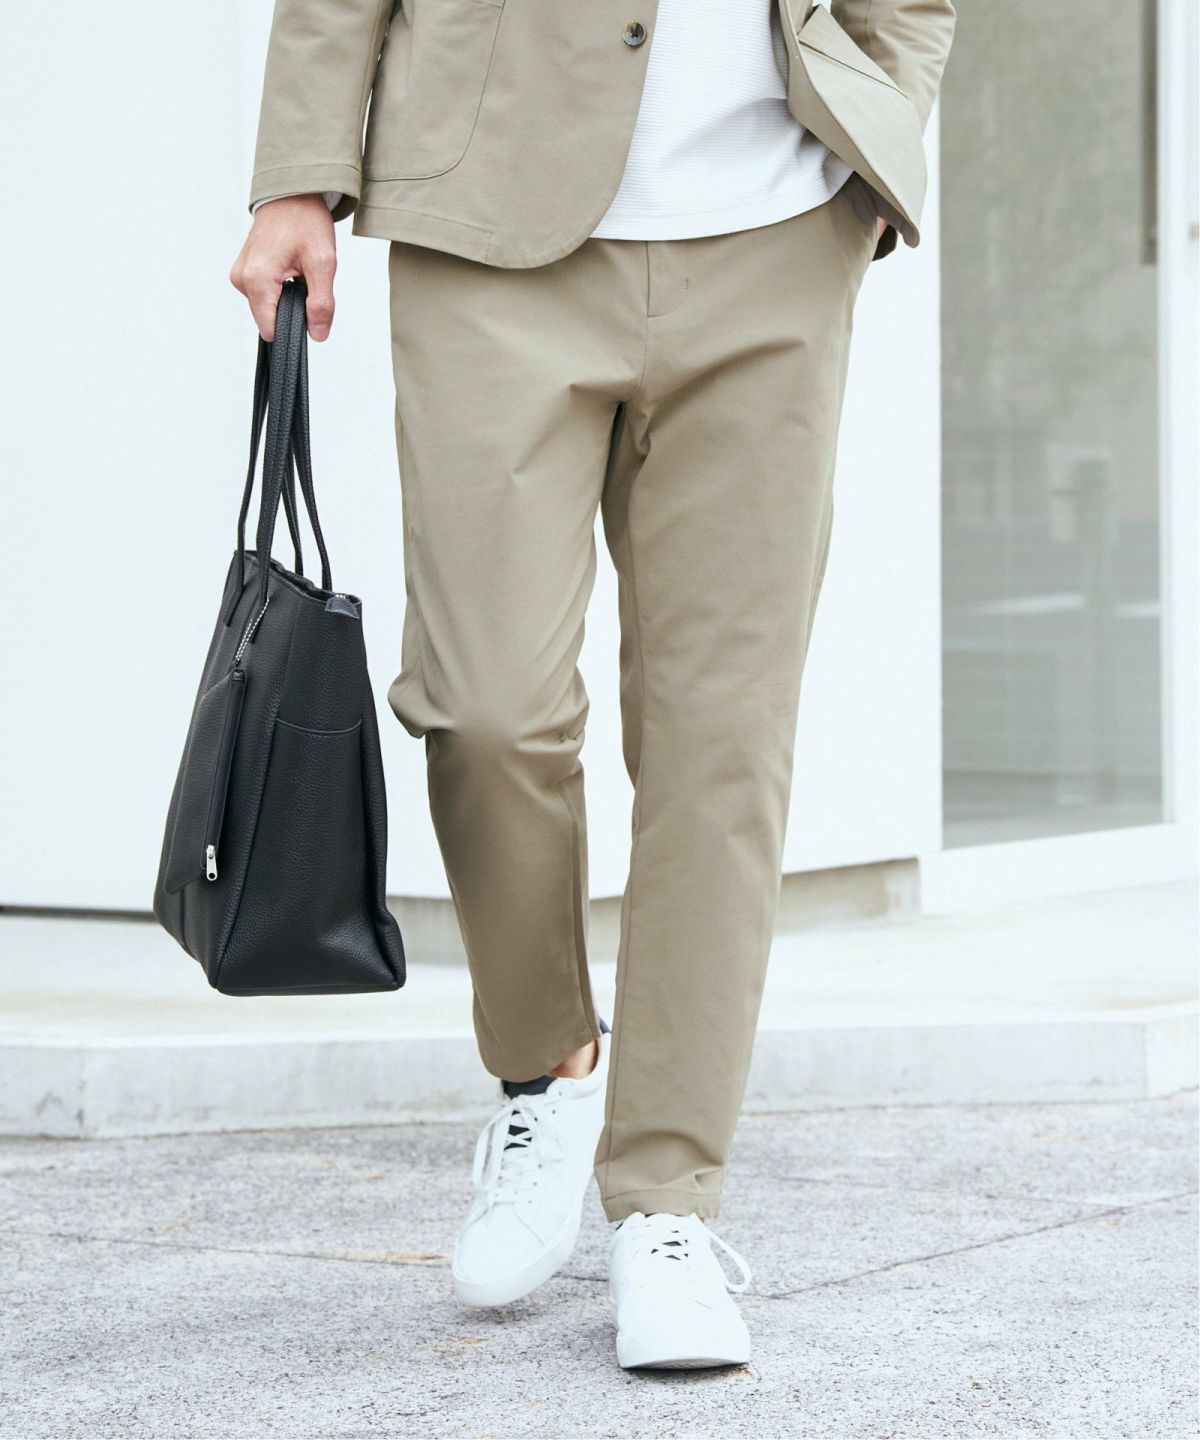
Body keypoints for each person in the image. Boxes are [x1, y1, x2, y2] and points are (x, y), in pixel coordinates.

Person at [231, 0, 954, 1371]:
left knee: (720, 743)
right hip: (488, 222)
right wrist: (295, 179)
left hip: (776, 236)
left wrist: (879, 134)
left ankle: (668, 1206)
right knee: (483, 707)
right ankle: (544, 1067)